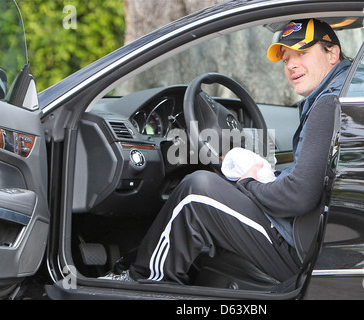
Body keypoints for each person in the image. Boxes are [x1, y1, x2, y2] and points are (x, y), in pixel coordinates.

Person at [105, 18, 351, 284]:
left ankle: (142, 281)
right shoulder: (342, 94)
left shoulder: (328, 105)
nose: (291, 65)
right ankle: (132, 264)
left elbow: (298, 196)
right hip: (309, 236)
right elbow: (310, 180)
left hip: (297, 249)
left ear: (332, 53)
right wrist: (266, 178)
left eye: (302, 53)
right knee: (219, 183)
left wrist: (248, 183)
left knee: (196, 190)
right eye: (286, 58)